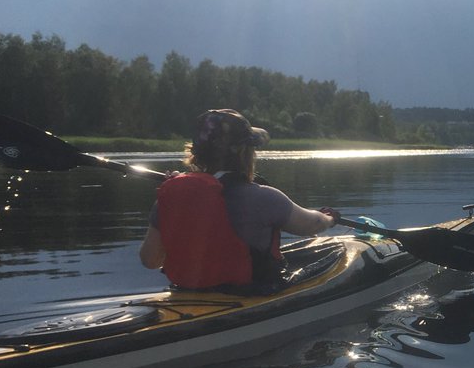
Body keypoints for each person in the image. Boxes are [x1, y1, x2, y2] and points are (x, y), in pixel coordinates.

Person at [139, 109, 339, 291]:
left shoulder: (170, 198)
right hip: (251, 295)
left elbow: (150, 260)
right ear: (245, 153)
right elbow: (311, 224)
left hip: (188, 294)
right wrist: (329, 217)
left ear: (195, 153)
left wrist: (183, 196)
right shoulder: (264, 197)